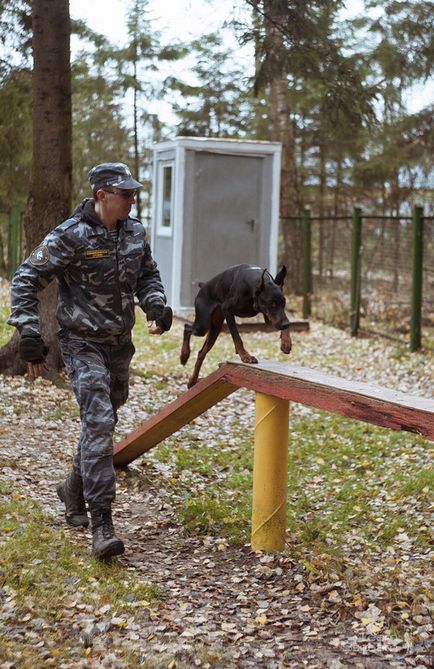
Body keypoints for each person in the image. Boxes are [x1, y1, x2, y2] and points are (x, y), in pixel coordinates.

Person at [8, 162, 172, 559]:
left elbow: (147, 274)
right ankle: (102, 524)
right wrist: (29, 332)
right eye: (126, 195)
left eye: (134, 194)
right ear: (103, 195)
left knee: (105, 419)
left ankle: (71, 487)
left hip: (120, 346)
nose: (133, 200)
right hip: (81, 344)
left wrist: (156, 303)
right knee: (98, 422)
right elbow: (25, 278)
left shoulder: (134, 231)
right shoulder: (71, 235)